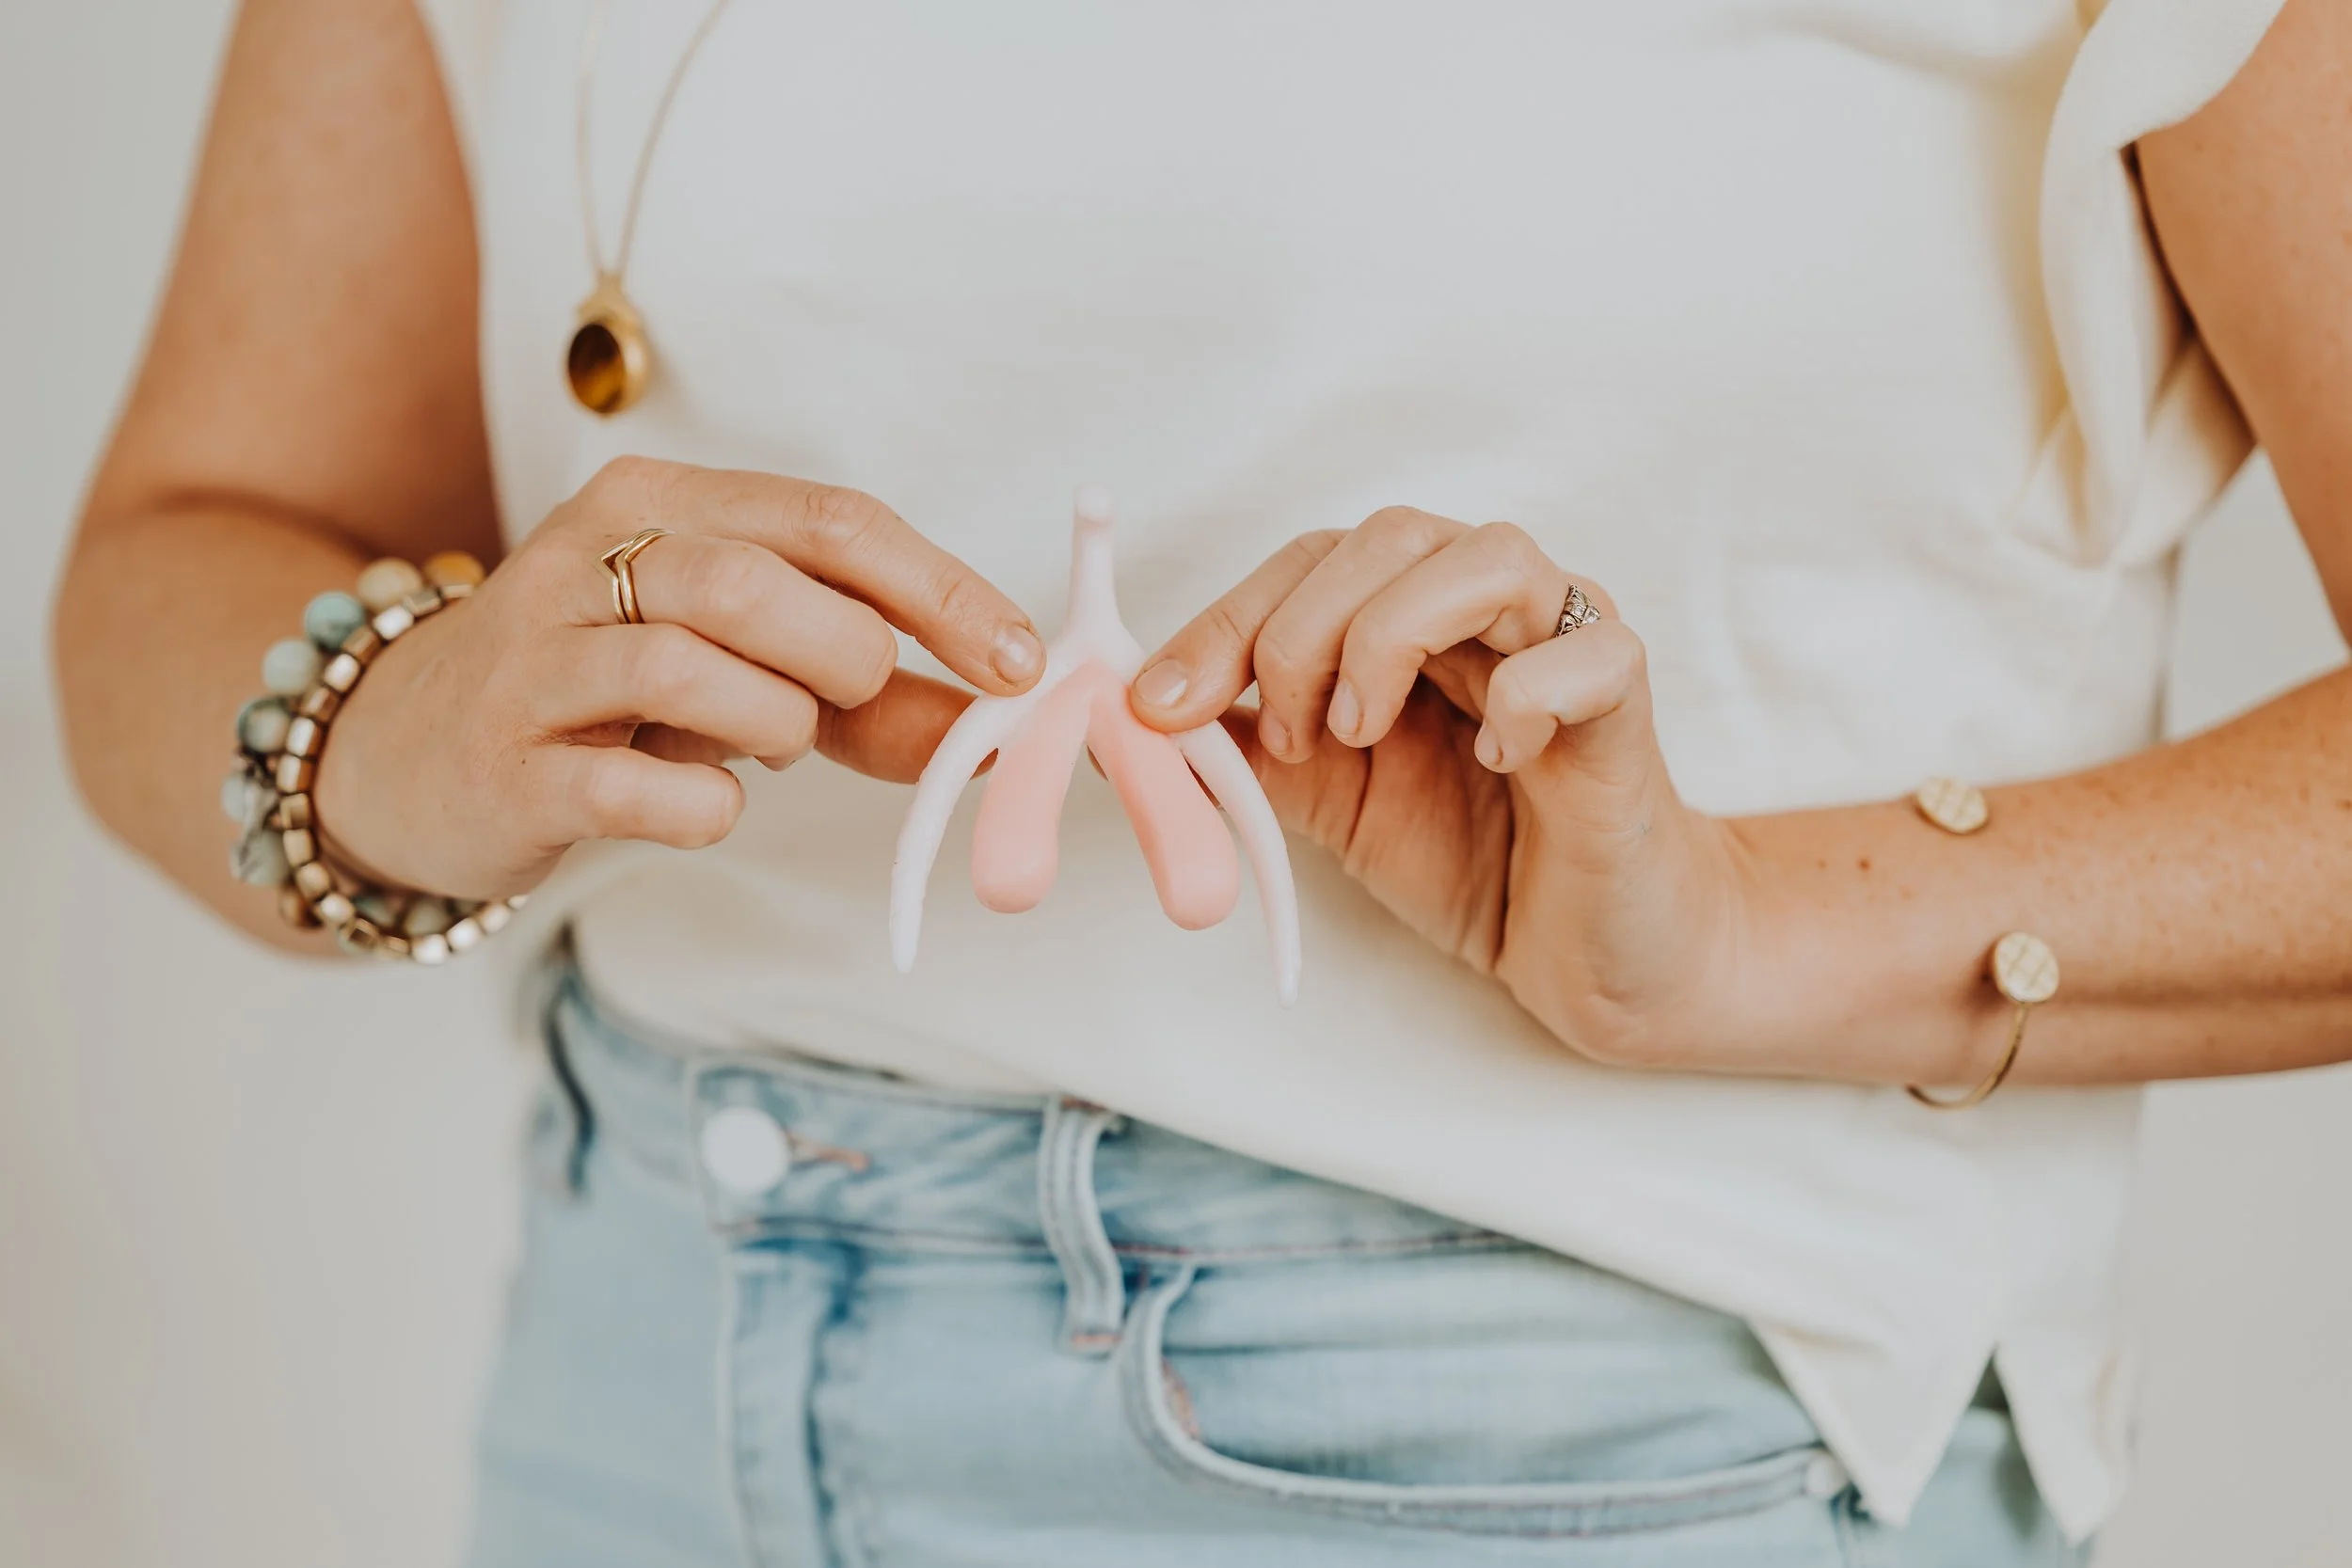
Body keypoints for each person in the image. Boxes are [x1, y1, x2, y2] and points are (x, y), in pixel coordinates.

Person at [50, 0, 2352, 1562]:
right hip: (648, 1355)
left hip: (1594, 1436)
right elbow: (193, 531)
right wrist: (399, 723)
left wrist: (1750, 927)